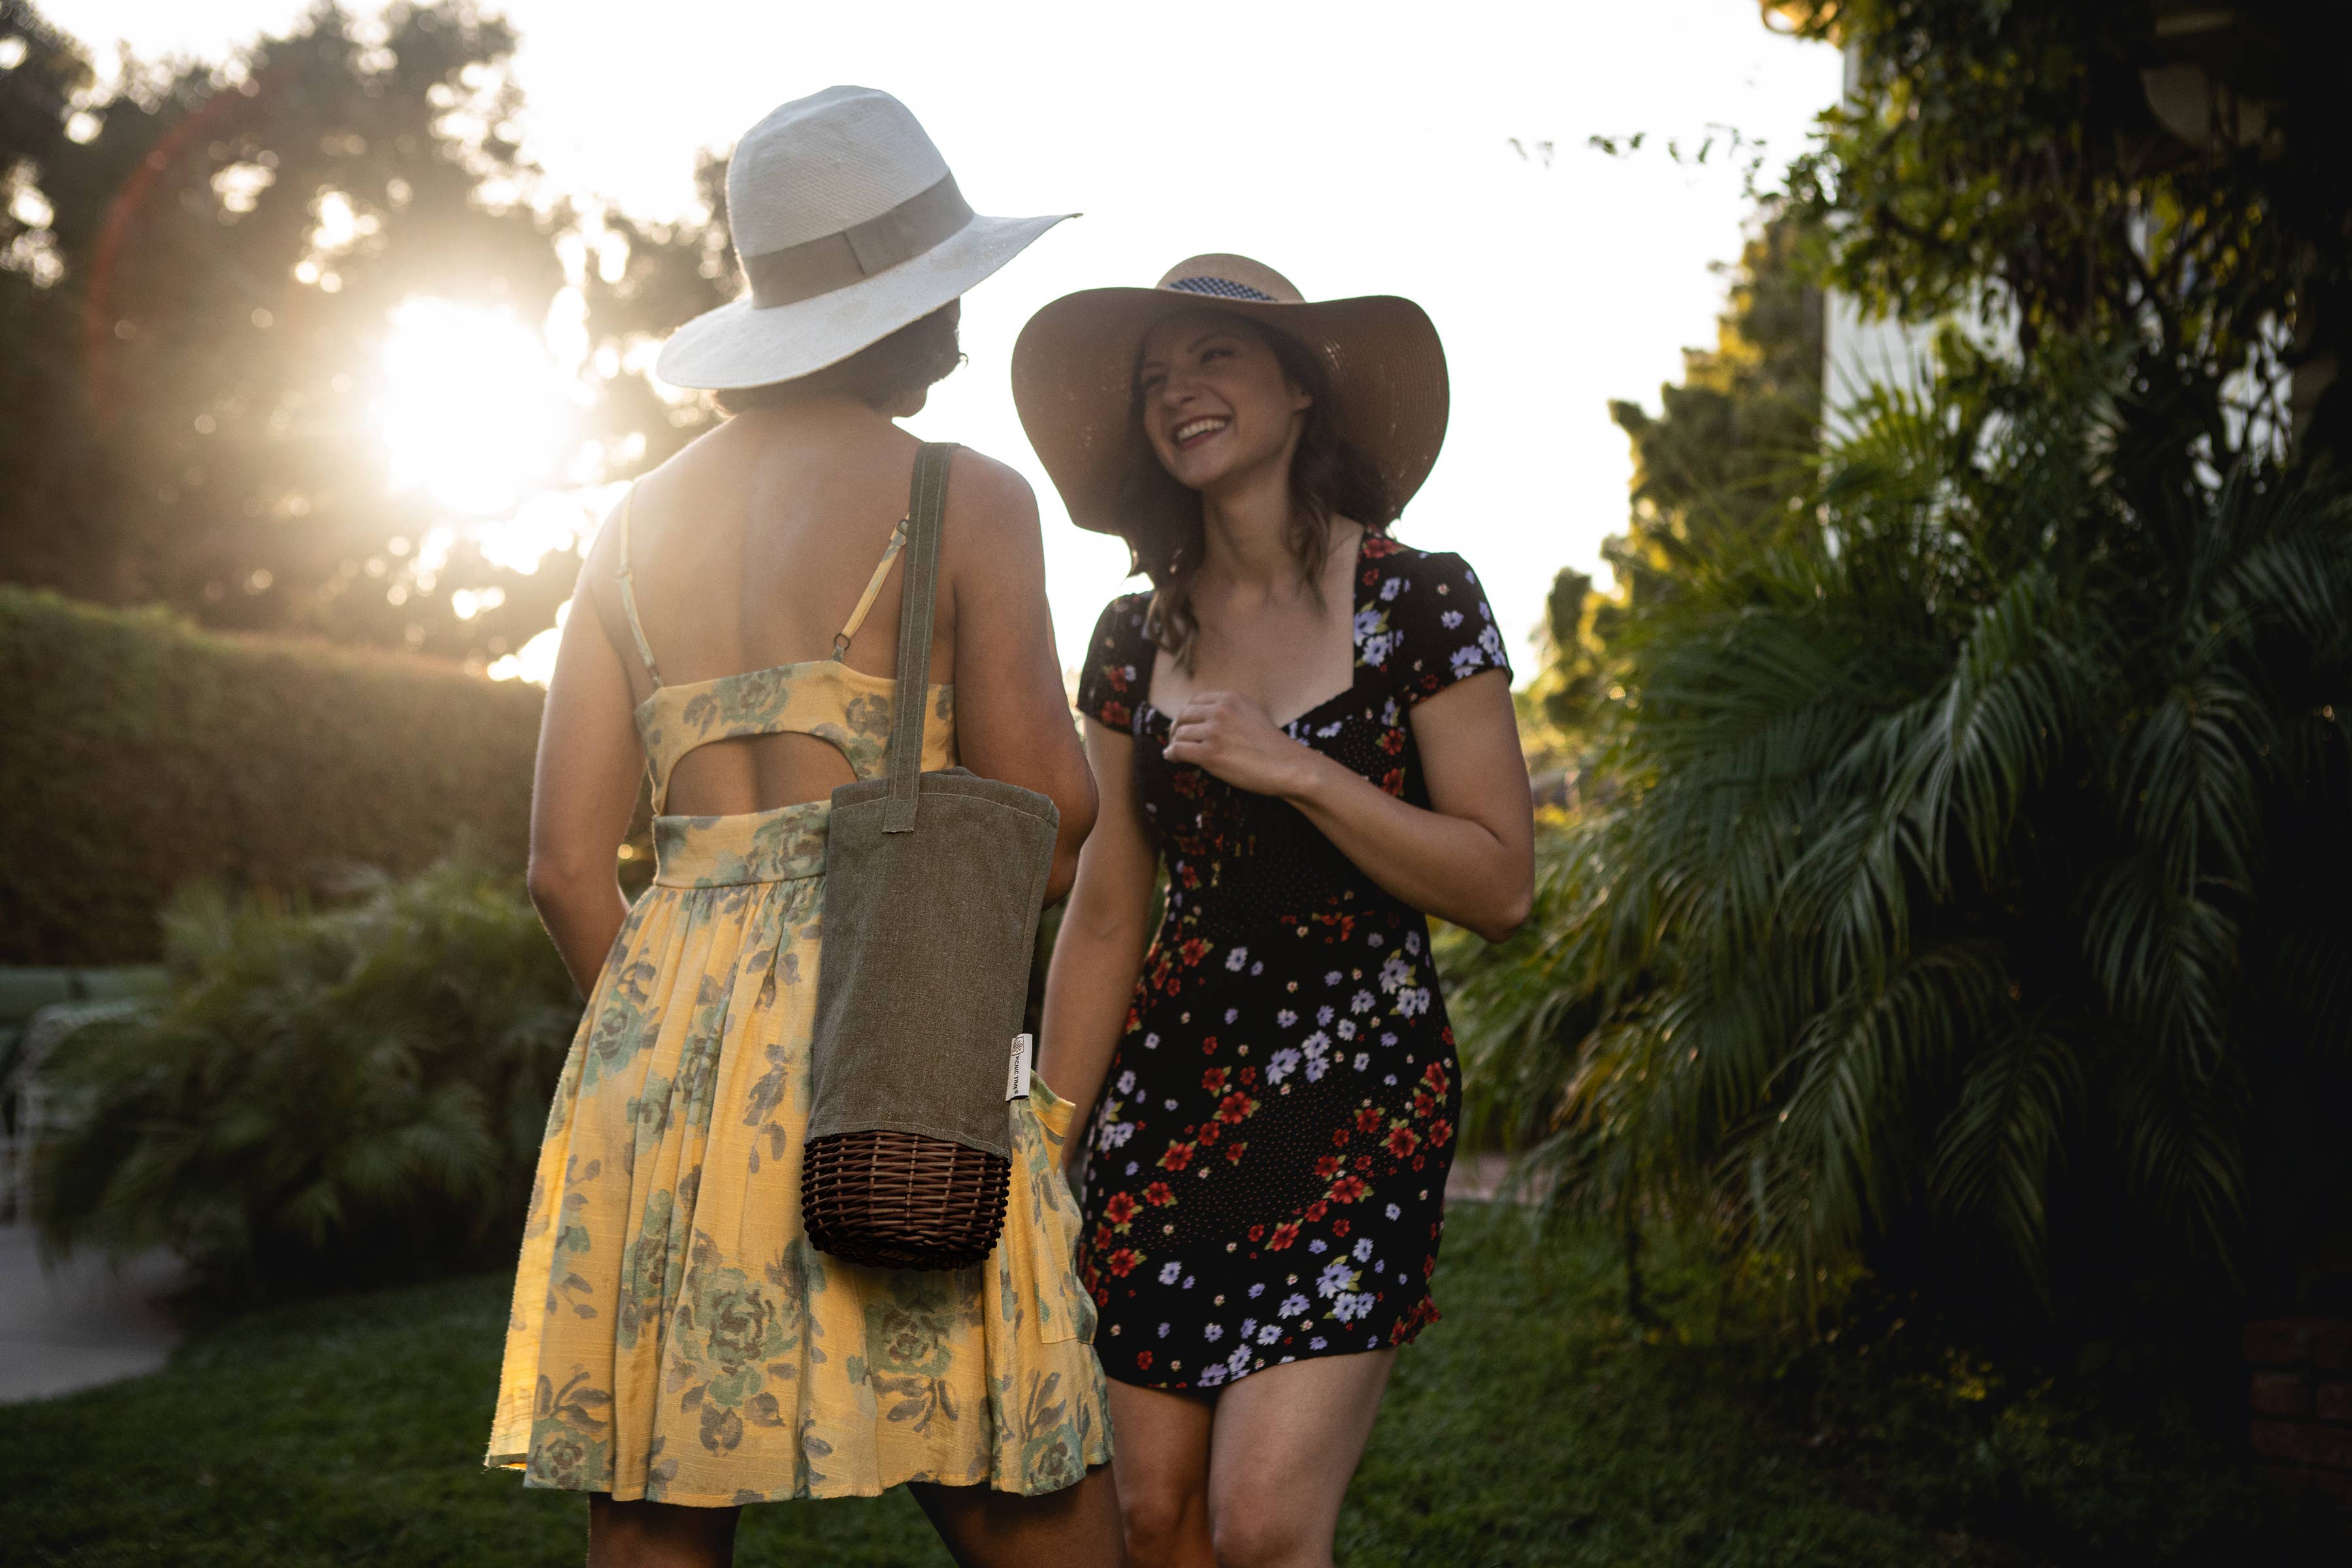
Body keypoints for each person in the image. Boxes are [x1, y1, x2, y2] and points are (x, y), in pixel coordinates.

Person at [486, 87, 1124, 1568]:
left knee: (655, 1508)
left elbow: (567, 867)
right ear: (887, 306)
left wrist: (687, 1046)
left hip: (654, 1063)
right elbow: (1047, 813)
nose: (962, 304)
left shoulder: (627, 526)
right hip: (893, 1029)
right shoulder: (963, 496)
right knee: (1019, 1490)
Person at [1016, 256, 1535, 1567]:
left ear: (1304, 389)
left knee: (1259, 1528)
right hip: (1169, 1099)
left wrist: (1300, 769)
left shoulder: (1419, 601)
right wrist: (1047, 1149)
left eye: (1217, 356)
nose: (1178, 390)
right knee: (1152, 1520)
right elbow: (1104, 920)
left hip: (1356, 1099)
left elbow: (1499, 882)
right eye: (1155, 377)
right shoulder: (1132, 637)